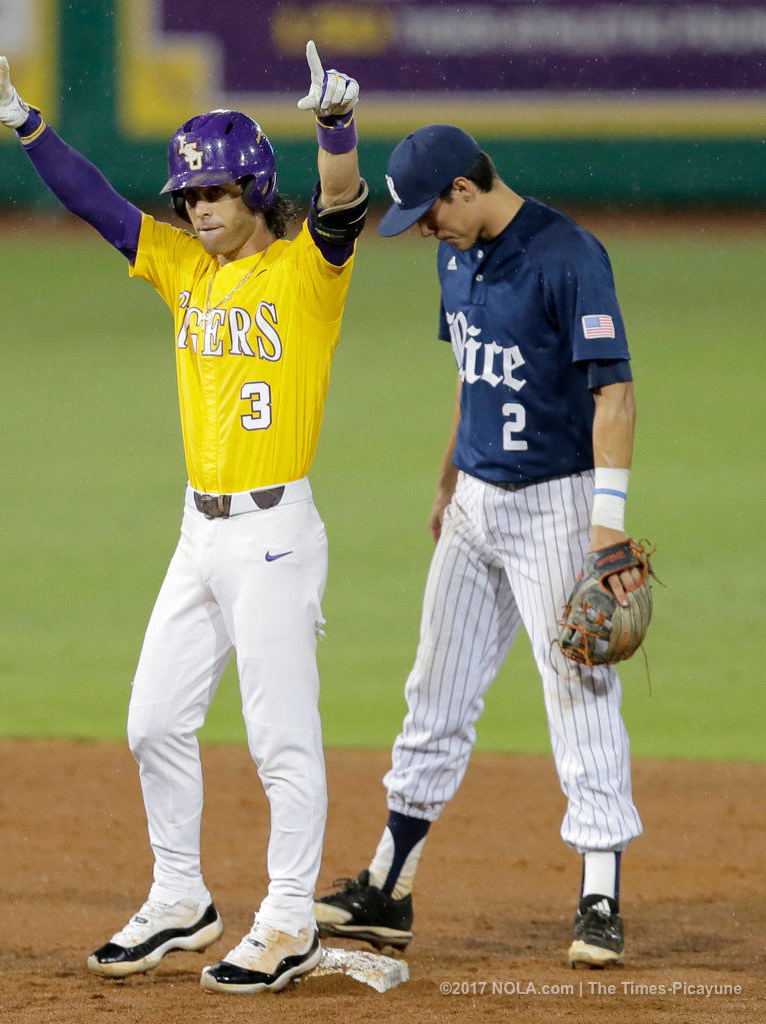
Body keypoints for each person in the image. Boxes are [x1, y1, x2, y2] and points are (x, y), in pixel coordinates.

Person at [0, 42, 367, 994]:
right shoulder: (183, 266)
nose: (198, 210)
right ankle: (183, 897)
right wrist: (30, 126)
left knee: (282, 740)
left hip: (275, 536)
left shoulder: (307, 273)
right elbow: (97, 203)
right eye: (189, 197)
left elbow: (345, 208)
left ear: (257, 192)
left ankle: (285, 920)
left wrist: (336, 124)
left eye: (216, 195)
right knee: (153, 721)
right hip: (199, 537)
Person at [314, 125, 643, 968]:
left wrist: (607, 524)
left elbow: (614, 392)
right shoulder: (453, 261)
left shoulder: (568, 255)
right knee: (435, 693)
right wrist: (446, 477)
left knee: (578, 688)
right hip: (476, 504)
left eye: (431, 214)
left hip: (557, 506)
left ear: (466, 187)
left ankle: (599, 894)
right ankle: (388, 886)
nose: (426, 231)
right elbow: (471, 375)